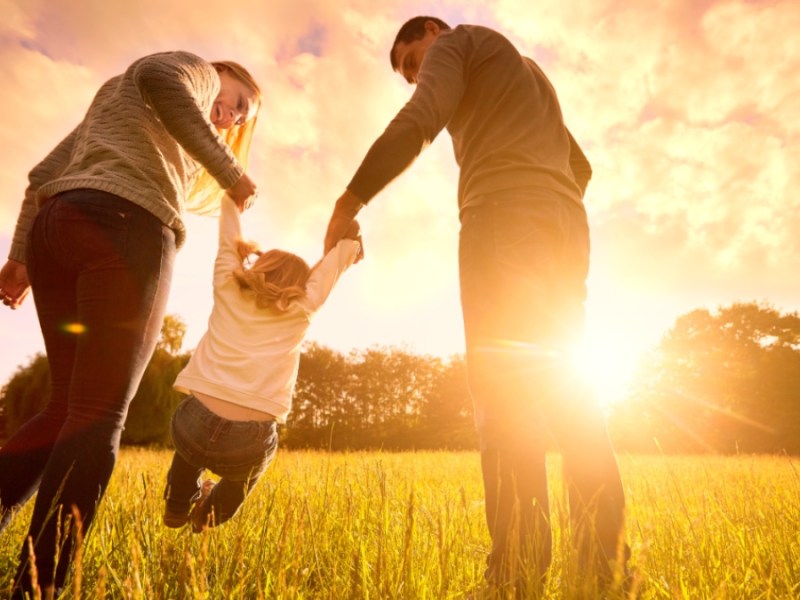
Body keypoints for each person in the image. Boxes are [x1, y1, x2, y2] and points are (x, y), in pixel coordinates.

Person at [323, 16, 628, 589]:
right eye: (410, 73)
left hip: (502, 219)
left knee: (505, 393)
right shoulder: (528, 71)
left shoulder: (458, 44)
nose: (417, 77)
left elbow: (420, 119)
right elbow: (580, 165)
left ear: (433, 32)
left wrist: (350, 200)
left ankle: (515, 571)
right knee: (570, 393)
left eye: (414, 62)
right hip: (565, 226)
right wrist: (545, 197)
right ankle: (603, 567)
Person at [0, 51, 261, 599]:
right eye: (238, 101)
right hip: (125, 228)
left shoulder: (116, 109)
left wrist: (20, 255)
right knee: (97, 418)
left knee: (64, 408)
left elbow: (44, 176)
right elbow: (160, 75)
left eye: (242, 117)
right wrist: (232, 172)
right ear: (221, 73)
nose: (234, 114)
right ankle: (38, 589)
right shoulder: (193, 70)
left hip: (58, 227)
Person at [162, 195, 362, 532]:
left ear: (260, 266)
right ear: (301, 285)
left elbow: (228, 239)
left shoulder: (228, 286)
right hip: (249, 438)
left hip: (194, 421)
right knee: (245, 476)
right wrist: (349, 245)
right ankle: (209, 516)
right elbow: (331, 270)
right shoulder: (302, 307)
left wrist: (232, 200)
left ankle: (178, 506)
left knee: (189, 451)